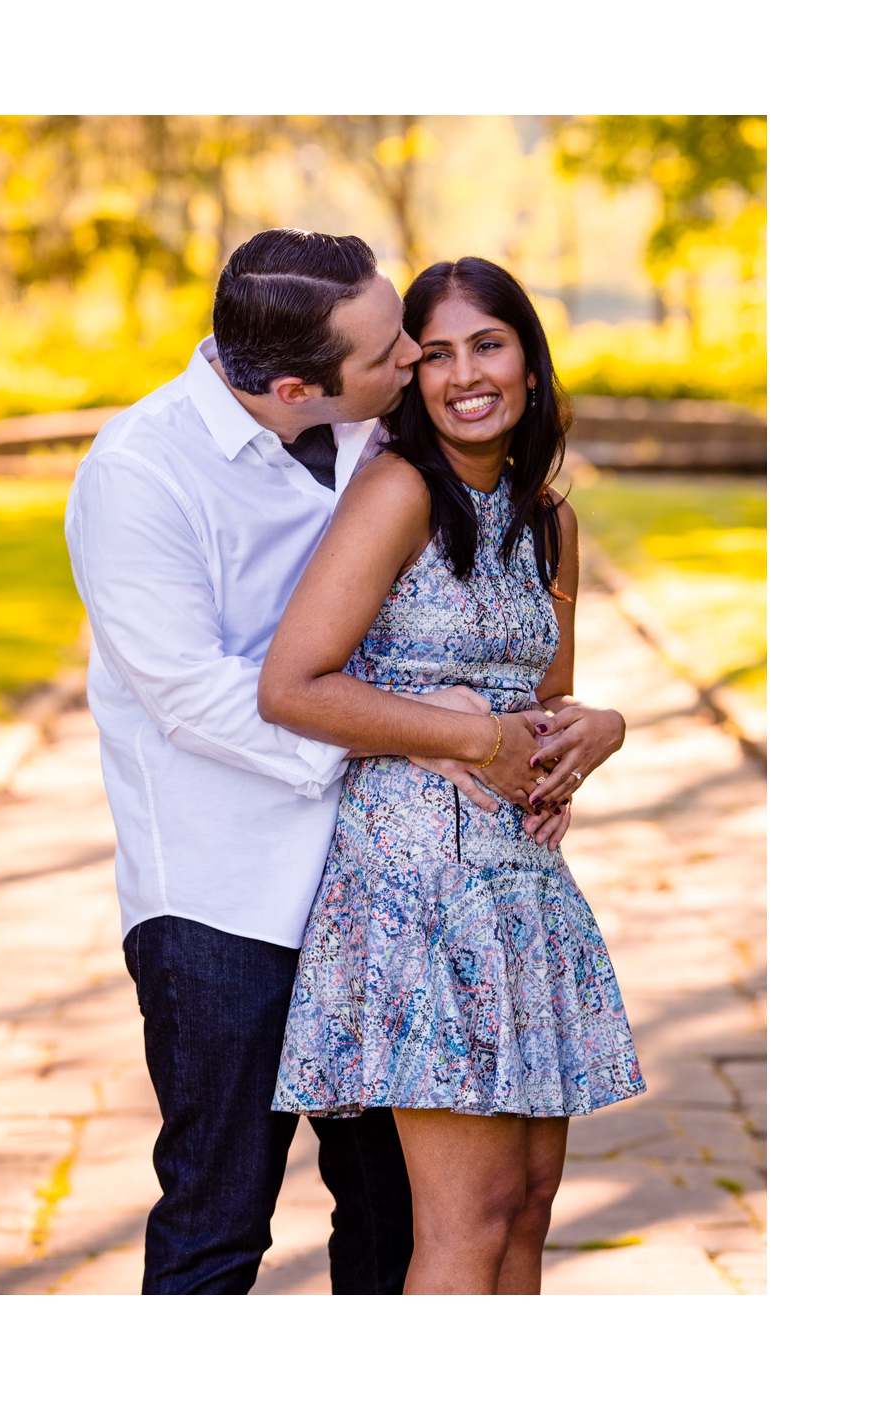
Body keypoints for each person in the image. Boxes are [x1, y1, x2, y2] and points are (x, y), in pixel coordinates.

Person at [65, 228, 620, 1295]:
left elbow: (495, 653)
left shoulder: (371, 437)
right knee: (222, 1218)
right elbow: (200, 697)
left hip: (385, 896)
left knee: (397, 1224)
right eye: (397, 353)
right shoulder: (142, 475)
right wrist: (437, 739)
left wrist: (559, 734)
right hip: (223, 905)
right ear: (294, 383)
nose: (419, 360)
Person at [260, 255, 644, 1294]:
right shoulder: (398, 495)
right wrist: (464, 737)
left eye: (489, 343)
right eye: (435, 353)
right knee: (467, 1222)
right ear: (412, 376)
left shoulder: (548, 520)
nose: (465, 374)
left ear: (529, 361)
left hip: (520, 890)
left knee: (525, 1213)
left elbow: (542, 707)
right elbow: (292, 686)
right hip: (416, 888)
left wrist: (601, 727)